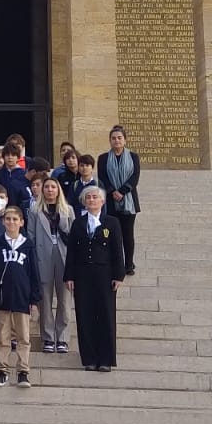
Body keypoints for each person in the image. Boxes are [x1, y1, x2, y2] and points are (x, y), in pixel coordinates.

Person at [65, 186, 127, 372]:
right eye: (88, 197)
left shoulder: (112, 222)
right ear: (84, 201)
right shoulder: (78, 223)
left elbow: (118, 250)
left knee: (106, 315)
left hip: (105, 274)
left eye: (95, 197)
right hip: (83, 274)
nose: (92, 200)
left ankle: (106, 359)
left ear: (102, 201)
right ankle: (90, 358)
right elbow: (72, 252)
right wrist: (69, 275)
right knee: (85, 315)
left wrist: (119, 275)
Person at [0, 204, 38, 389]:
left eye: (15, 219)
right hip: (2, 298)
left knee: (23, 337)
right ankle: (2, 371)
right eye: (8, 219)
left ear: (21, 222)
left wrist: (34, 299)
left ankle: (23, 372)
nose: (11, 222)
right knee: (2, 337)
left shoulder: (28, 245)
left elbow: (34, 273)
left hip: (22, 297)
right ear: (3, 221)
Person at [31, 176, 75, 354]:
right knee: (45, 299)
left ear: (58, 191)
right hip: (43, 255)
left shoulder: (68, 210)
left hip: (63, 255)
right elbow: (31, 236)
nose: (50, 190)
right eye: (47, 187)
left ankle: (62, 337)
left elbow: (74, 237)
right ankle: (48, 337)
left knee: (65, 299)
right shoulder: (35, 210)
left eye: (53, 187)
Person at [100, 125, 142, 276]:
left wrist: (123, 191)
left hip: (129, 200)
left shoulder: (133, 157)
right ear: (110, 141)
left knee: (127, 234)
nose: (116, 141)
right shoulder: (103, 158)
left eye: (119, 138)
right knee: (111, 234)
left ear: (125, 140)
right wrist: (113, 191)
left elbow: (135, 176)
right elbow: (103, 177)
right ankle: (114, 261)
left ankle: (128, 264)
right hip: (111, 201)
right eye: (113, 138)